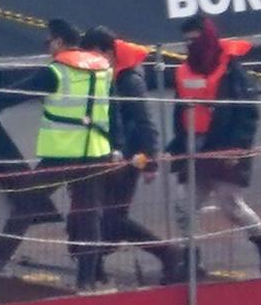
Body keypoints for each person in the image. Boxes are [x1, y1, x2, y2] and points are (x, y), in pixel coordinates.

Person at [0, 19, 116, 284]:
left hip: (62, 153)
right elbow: (113, 111)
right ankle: (86, 281)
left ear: (60, 42)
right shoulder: (103, 69)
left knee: (25, 203)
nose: (47, 47)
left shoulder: (56, 71)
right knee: (90, 217)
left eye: (48, 41)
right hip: (97, 152)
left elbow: (18, 92)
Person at [170, 18, 261, 274]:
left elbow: (248, 113)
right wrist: (176, 145)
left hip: (224, 145)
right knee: (184, 205)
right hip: (192, 145)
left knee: (229, 203)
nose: (190, 45)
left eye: (195, 39)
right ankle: (191, 262)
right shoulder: (184, 71)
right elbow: (180, 111)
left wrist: (237, 148)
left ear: (207, 37)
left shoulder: (231, 70)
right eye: (186, 40)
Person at [78, 26, 186, 285]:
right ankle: (97, 265)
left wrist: (151, 160)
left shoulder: (128, 80)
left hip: (129, 159)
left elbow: (145, 122)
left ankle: (168, 253)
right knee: (102, 215)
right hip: (110, 156)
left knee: (112, 218)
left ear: (107, 51)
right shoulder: (110, 75)